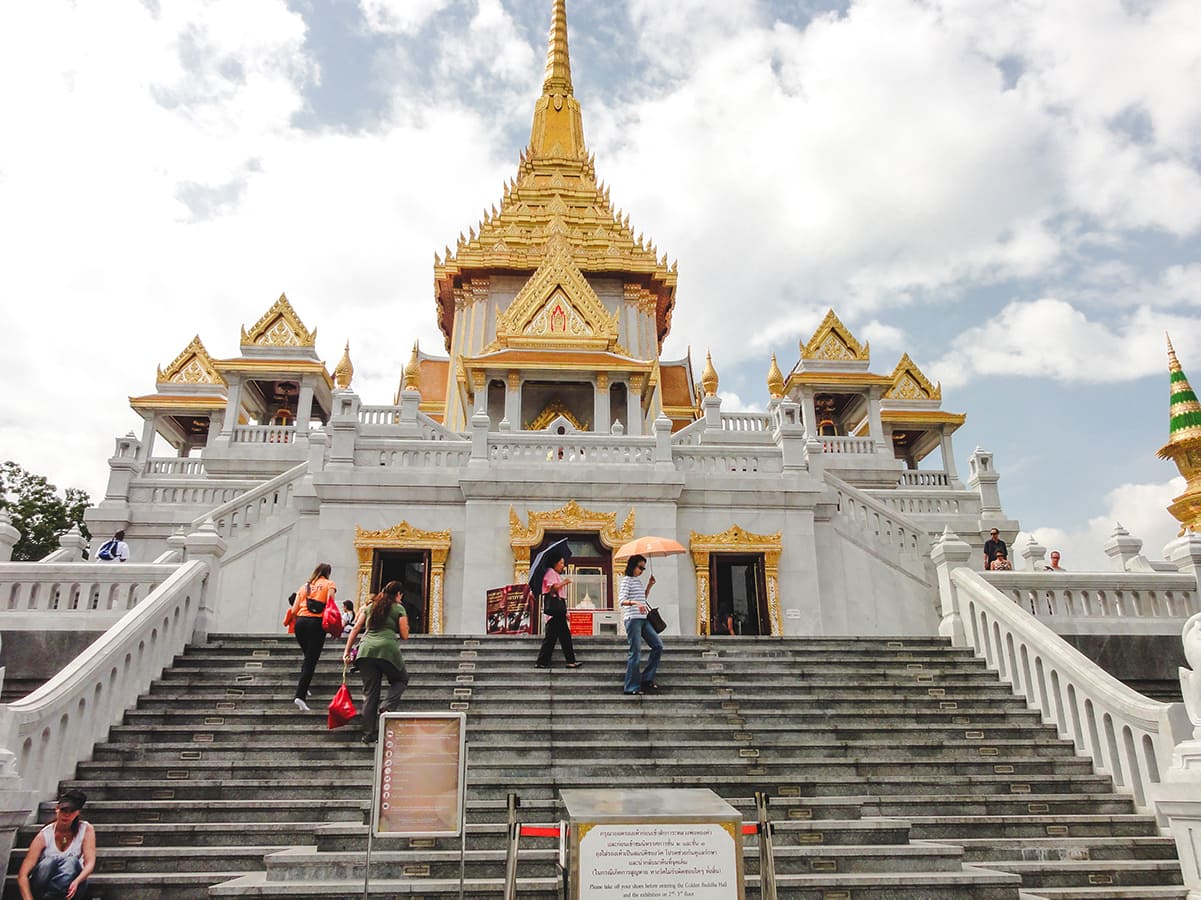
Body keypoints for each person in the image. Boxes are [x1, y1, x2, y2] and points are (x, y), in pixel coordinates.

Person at [343, 580, 410, 744]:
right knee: (401, 679)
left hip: (366, 651)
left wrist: (346, 651)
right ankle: (387, 705)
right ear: (398, 594)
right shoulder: (398, 608)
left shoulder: (370, 607)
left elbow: (356, 628)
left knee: (370, 693)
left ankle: (368, 733)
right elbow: (404, 635)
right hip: (387, 650)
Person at [17, 789, 95, 900]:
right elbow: (22, 875)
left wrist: (77, 881)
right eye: (63, 810)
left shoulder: (86, 829)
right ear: (57, 809)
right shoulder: (44, 835)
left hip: (72, 887)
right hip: (43, 887)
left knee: (71, 861)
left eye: (71, 811)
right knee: (49, 862)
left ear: (78, 813)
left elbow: (90, 863)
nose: (66, 815)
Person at [287, 563, 336, 712]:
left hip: (300, 623)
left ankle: (304, 685)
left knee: (308, 656)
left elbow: (294, 610)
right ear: (328, 573)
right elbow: (331, 604)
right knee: (311, 660)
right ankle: (300, 696)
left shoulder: (304, 586)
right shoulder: (329, 584)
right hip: (317, 623)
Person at [620, 554, 663, 695]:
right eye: (640, 567)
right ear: (632, 565)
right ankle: (631, 686)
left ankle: (646, 678)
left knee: (658, 645)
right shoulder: (626, 580)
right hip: (633, 619)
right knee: (635, 652)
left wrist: (649, 585)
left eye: (644, 568)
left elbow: (642, 598)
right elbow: (622, 600)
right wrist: (635, 603)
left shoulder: (637, 581)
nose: (642, 571)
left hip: (644, 618)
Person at [535, 556, 582, 669]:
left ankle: (543, 662)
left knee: (553, 637)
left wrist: (565, 611)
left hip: (558, 611)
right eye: (561, 563)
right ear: (555, 563)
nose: (563, 565)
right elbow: (551, 589)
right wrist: (564, 582)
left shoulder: (555, 574)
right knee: (563, 636)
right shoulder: (550, 573)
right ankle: (570, 661)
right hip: (555, 611)